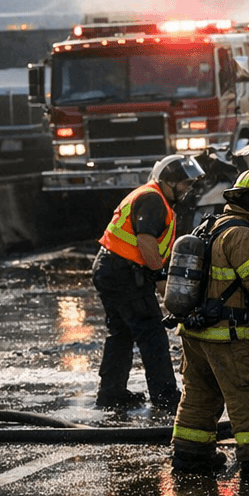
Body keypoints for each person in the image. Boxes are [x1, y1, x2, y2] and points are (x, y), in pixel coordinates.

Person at [170, 169, 249, 479]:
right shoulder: (243, 233)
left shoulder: (211, 226)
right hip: (232, 335)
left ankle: (190, 454)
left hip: (196, 334)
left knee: (200, 395)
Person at [91, 154, 204, 410]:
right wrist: (160, 277)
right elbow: (146, 241)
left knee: (121, 333)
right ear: (169, 181)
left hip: (110, 269)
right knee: (152, 333)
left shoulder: (150, 196)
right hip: (124, 274)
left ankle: (111, 392)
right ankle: (165, 396)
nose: (188, 189)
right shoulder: (154, 200)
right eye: (185, 184)